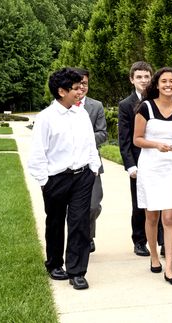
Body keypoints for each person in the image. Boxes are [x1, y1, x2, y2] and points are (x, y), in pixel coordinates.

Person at [28, 67, 101, 290]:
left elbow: (90, 143)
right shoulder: (46, 118)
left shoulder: (81, 114)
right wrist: (44, 181)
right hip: (56, 179)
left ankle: (77, 271)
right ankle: (54, 264)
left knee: (79, 223)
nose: (80, 91)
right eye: (75, 88)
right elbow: (38, 152)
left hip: (82, 177)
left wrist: (93, 168)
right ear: (61, 91)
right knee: (56, 222)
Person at [133, 67, 172, 286]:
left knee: (169, 218)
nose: (168, 85)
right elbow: (137, 139)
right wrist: (156, 144)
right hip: (150, 167)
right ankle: (154, 257)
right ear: (156, 85)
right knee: (152, 217)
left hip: (171, 168)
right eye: (164, 81)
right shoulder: (145, 107)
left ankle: (169, 267)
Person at [118, 61, 164, 257]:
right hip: (139, 162)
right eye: (139, 77)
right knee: (140, 204)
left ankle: (163, 241)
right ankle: (139, 241)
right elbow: (125, 139)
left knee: (162, 202)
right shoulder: (126, 105)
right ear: (132, 79)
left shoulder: (160, 100)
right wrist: (130, 166)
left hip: (160, 160)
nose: (144, 80)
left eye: (147, 77)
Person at [73, 68, 107, 253]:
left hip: (92, 164)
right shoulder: (64, 105)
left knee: (93, 205)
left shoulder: (96, 106)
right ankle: (81, 238)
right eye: (77, 84)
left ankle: (88, 233)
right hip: (68, 166)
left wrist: (82, 137)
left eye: (84, 83)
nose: (81, 87)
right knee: (74, 207)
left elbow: (102, 134)